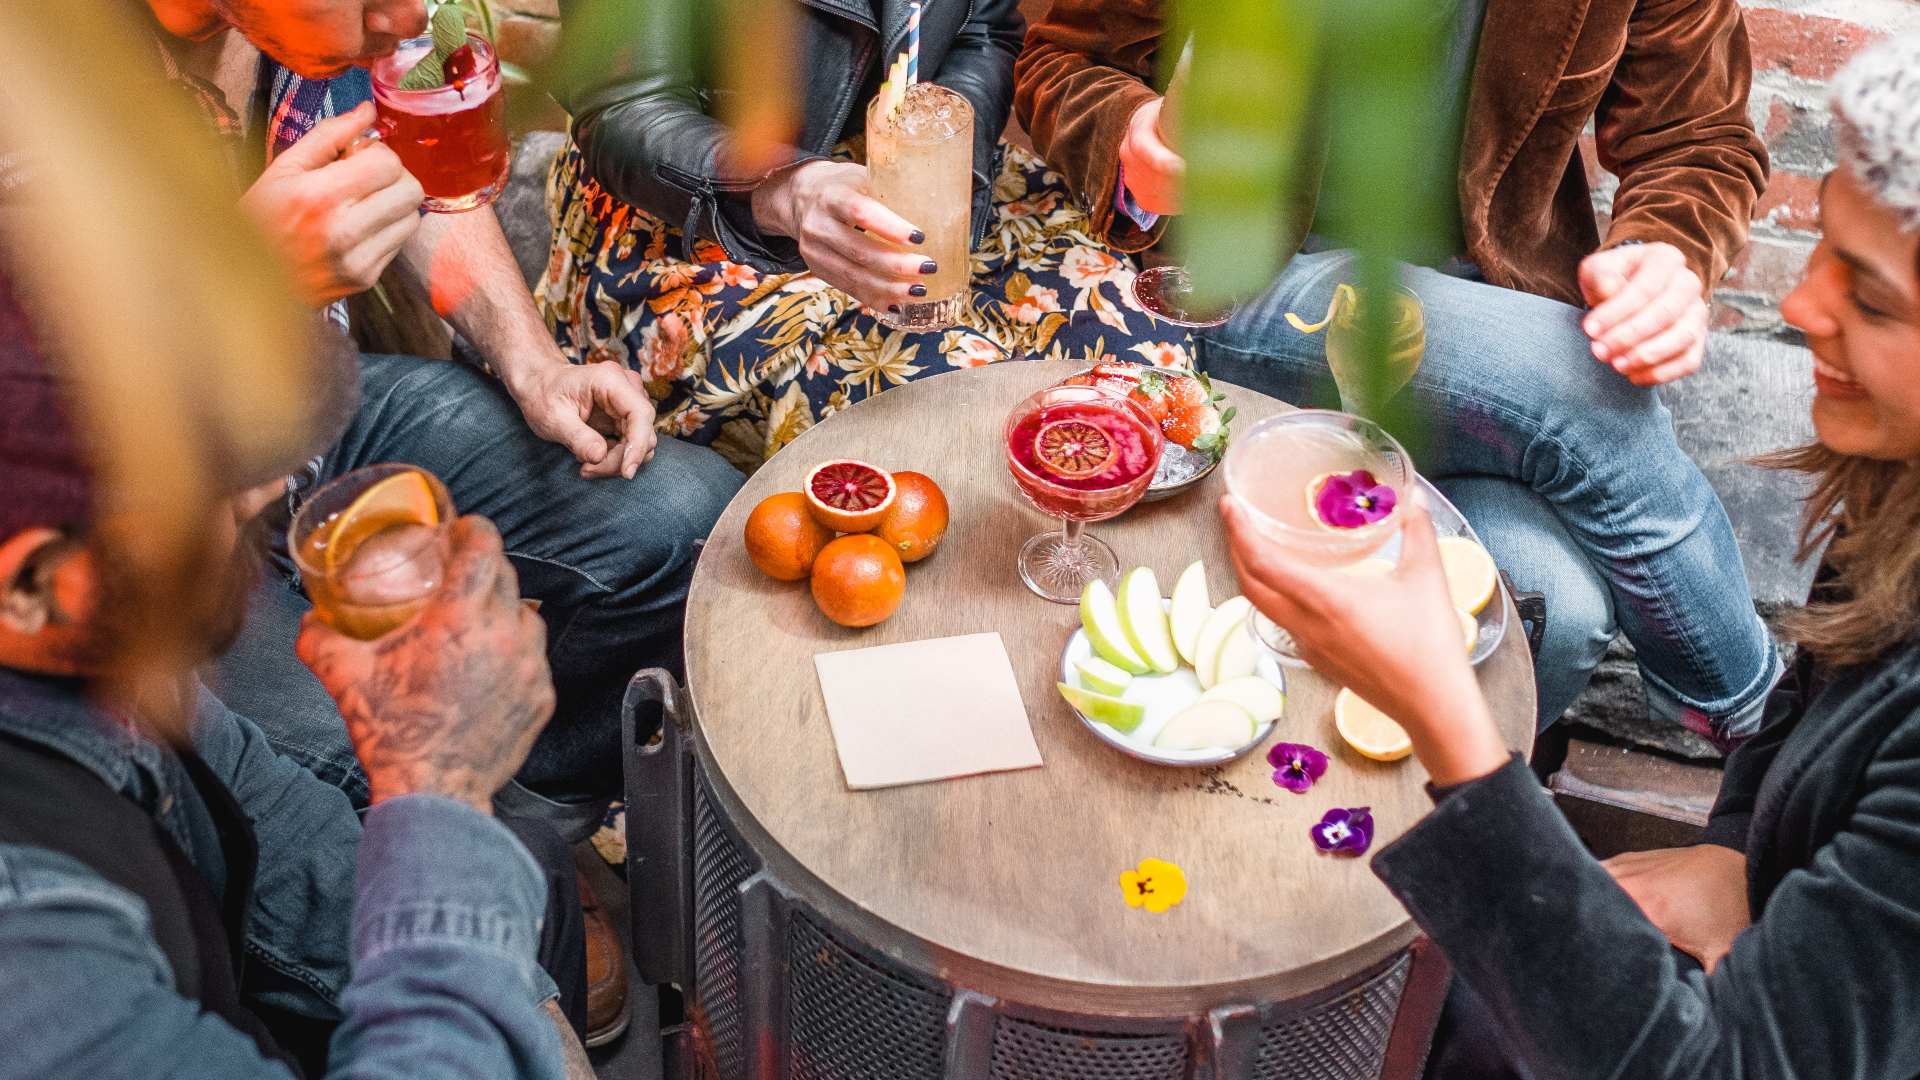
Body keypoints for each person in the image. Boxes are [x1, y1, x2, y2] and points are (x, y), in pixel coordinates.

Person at [1222, 35, 1920, 1078]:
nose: (1797, 306)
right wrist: (1738, 849)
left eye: (1869, 299)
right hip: (1244, 276)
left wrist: (1449, 720)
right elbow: (1817, 698)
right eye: (1820, 250)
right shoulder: (1896, 494)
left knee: (1554, 593)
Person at [1014, 0, 1782, 736]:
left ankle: (1401, 842)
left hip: (1491, 310)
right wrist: (1129, 135)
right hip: (1260, 281)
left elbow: (1698, 137)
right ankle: (1763, 739)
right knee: (1579, 389)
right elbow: (1064, 61)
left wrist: (1668, 249)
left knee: (1557, 606)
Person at [137, 0, 745, 834]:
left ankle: (528, 822)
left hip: (317, 418)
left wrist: (531, 360)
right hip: (143, 521)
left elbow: (410, 175)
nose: (415, 10)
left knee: (684, 523)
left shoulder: (326, 26)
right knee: (369, 768)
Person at [0, 268, 593, 1077]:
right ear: (38, 585)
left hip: (223, 975)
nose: (270, 492)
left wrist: (510, 987)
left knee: (534, 874)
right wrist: (437, 779)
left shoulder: (88, 643)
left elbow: (261, 802)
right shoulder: (33, 963)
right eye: (213, 478)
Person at [536, 0, 1195, 472]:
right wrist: (788, 191)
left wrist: (948, 166)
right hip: (692, 209)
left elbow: (987, 33)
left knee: (1125, 333)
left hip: (907, 153)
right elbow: (622, 113)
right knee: (946, 405)